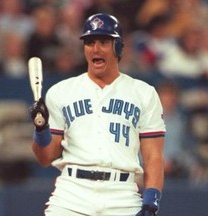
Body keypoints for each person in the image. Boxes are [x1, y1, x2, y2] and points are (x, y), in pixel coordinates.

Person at [29, 13, 166, 216]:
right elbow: (45, 158)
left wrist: (151, 201)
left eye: (104, 41)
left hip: (122, 194)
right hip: (72, 194)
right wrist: (41, 128)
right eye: (90, 42)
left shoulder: (143, 93)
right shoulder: (62, 91)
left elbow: (153, 156)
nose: (95, 49)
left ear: (118, 47)